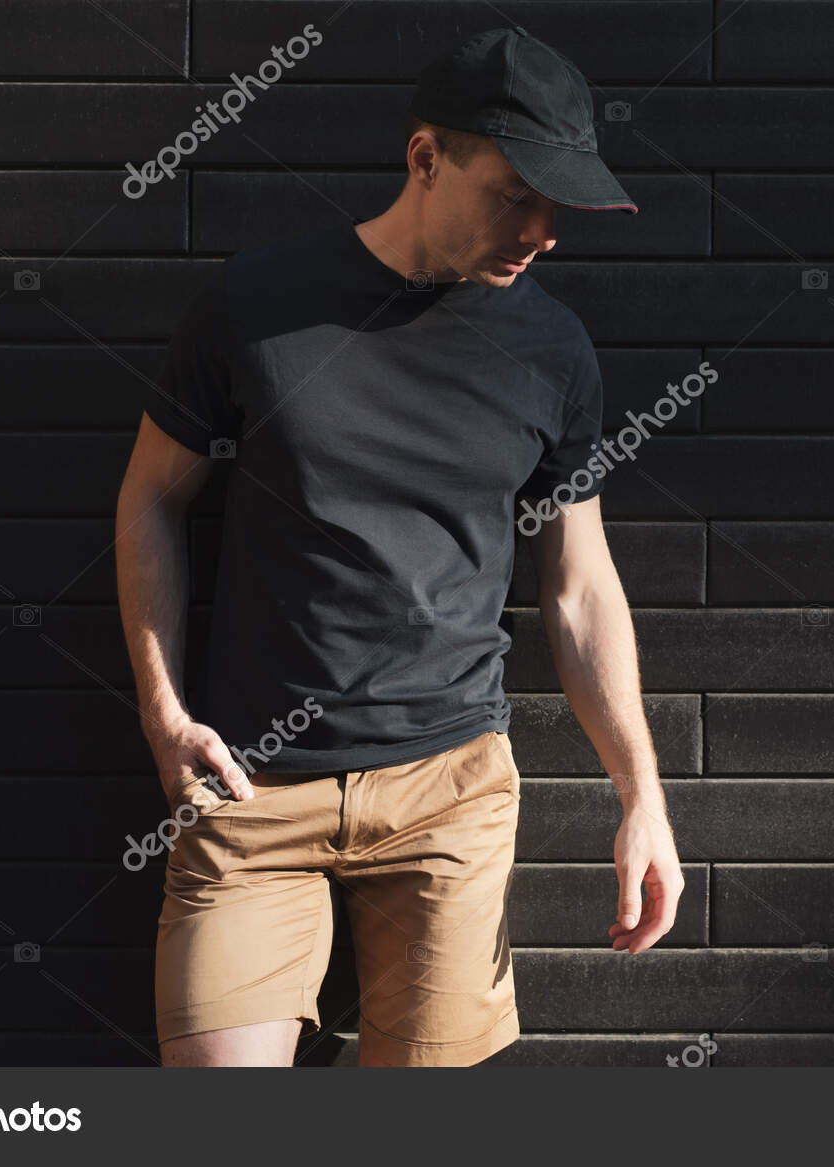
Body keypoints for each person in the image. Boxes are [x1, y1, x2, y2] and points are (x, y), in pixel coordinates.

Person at [115, 25, 683, 1068]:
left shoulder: (553, 352)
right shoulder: (254, 307)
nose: (542, 230)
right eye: (516, 193)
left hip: (447, 794)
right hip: (252, 791)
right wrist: (163, 718)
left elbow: (580, 586)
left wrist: (641, 798)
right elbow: (151, 499)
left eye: (559, 205)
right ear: (425, 158)